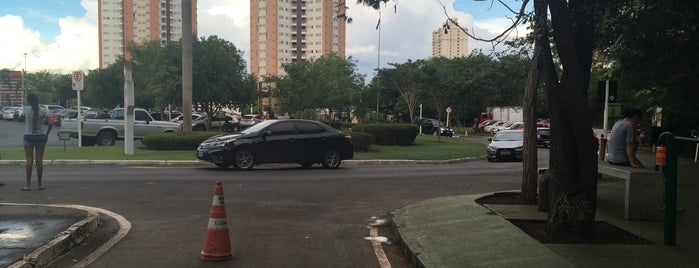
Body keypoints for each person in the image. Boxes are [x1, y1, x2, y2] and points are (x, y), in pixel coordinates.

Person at [22, 94, 52, 191]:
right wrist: (46, 134)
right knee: (39, 160)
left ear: (29, 101)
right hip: (40, 136)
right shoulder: (43, 110)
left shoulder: (26, 109)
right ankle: (39, 184)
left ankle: (28, 185)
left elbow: (22, 118)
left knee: (29, 160)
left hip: (28, 136)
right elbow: (50, 124)